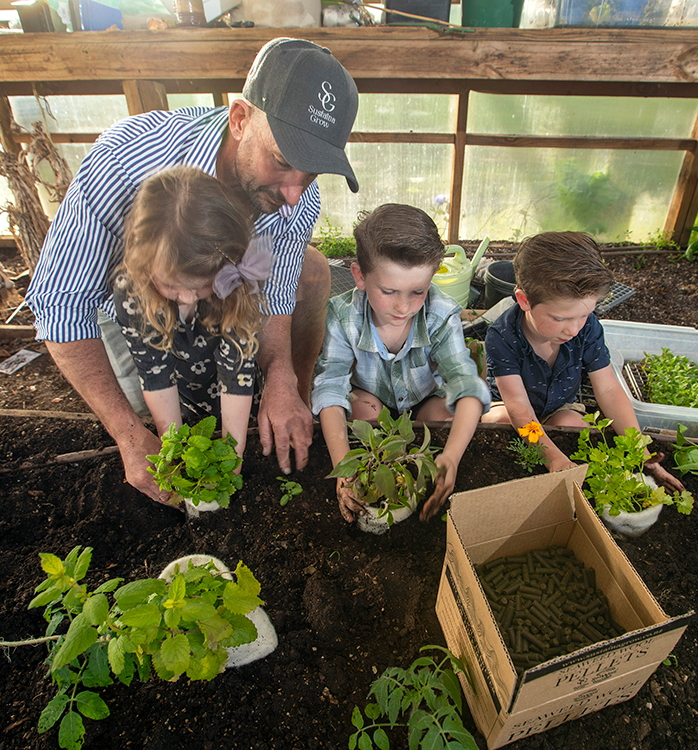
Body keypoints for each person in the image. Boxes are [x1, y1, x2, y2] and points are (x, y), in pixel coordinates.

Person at [25, 37, 359, 506]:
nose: (294, 195)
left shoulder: (296, 201)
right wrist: (128, 434)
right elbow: (62, 305)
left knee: (314, 270)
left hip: (228, 298)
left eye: (312, 174)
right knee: (159, 408)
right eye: (282, 163)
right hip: (132, 306)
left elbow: (277, 294)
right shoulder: (127, 160)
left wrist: (279, 372)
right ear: (240, 119)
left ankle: (289, 404)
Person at [311, 204, 491, 524]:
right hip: (373, 405)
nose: (403, 306)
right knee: (359, 408)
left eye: (417, 291)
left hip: (423, 404)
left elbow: (466, 383)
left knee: (447, 416)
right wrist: (343, 469)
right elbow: (330, 385)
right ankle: (375, 461)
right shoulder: (343, 314)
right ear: (359, 276)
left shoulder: (441, 313)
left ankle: (421, 459)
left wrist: (451, 457)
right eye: (389, 291)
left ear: (432, 279)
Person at [480, 231, 683, 490]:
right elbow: (519, 407)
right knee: (501, 424)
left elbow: (609, 389)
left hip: (558, 406)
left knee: (572, 426)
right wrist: (554, 459)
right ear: (524, 300)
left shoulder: (588, 329)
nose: (573, 329)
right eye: (560, 318)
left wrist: (640, 451)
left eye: (584, 315)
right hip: (507, 407)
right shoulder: (503, 336)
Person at [113, 166, 272, 466]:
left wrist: (232, 457)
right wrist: (175, 453)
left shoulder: (233, 286)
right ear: (143, 262)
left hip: (236, 392)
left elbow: (237, 371)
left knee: (237, 426)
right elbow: (155, 374)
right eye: (172, 285)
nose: (186, 298)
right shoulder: (133, 294)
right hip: (181, 391)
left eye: (200, 287)